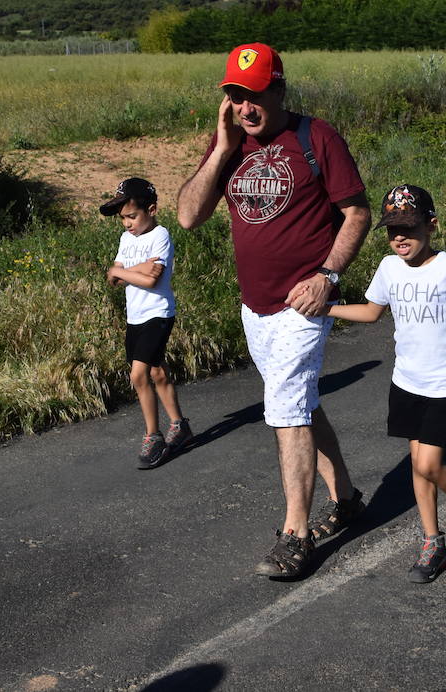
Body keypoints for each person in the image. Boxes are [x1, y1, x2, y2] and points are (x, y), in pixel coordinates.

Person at [177, 42, 371, 580]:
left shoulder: (317, 137)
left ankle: (296, 534)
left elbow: (357, 213)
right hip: (253, 306)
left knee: (286, 411)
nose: (245, 106)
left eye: (255, 94)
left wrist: (327, 276)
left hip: (302, 303)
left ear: (280, 90)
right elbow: (189, 216)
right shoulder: (230, 144)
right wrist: (221, 147)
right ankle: (348, 499)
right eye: (235, 96)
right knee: (299, 403)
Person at [326, 184, 446, 582]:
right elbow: (371, 311)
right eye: (392, 228)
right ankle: (432, 541)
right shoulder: (388, 267)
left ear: (431, 226)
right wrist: (325, 308)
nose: (399, 236)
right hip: (406, 382)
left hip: (445, 384)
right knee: (418, 468)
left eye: (409, 228)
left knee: (428, 464)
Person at [101, 177, 191, 469]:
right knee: (157, 372)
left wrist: (124, 270)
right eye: (122, 218)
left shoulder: (160, 235)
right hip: (135, 317)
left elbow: (152, 280)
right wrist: (133, 269)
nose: (126, 223)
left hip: (158, 314)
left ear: (151, 209)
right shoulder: (126, 239)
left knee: (138, 375)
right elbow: (112, 277)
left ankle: (153, 435)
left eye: (132, 216)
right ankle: (179, 423)